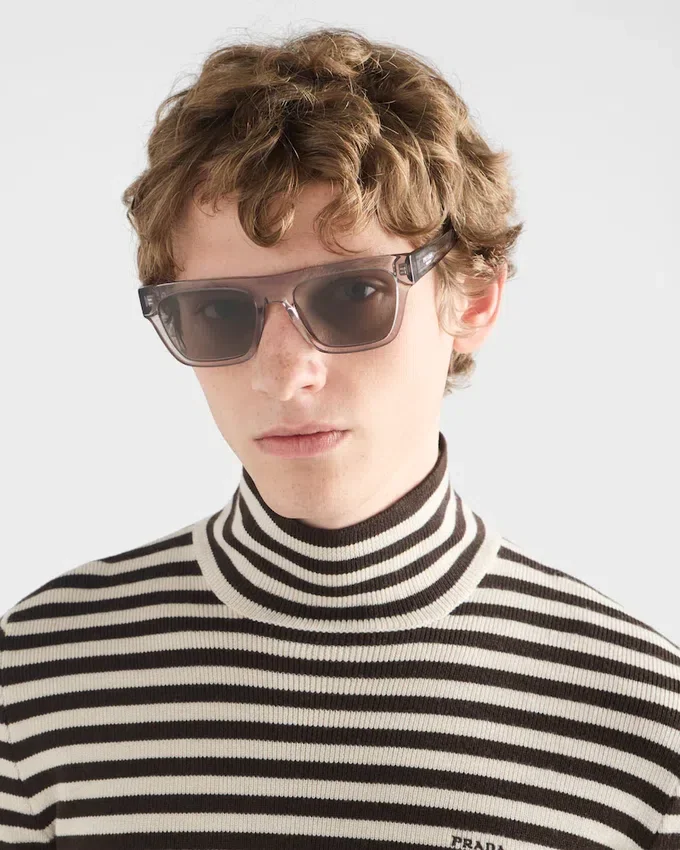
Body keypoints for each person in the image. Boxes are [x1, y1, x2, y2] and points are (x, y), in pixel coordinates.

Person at [1, 26, 678, 849]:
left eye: (353, 296)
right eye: (218, 311)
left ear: (473, 299)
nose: (286, 374)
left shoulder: (643, 732)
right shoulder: (39, 679)